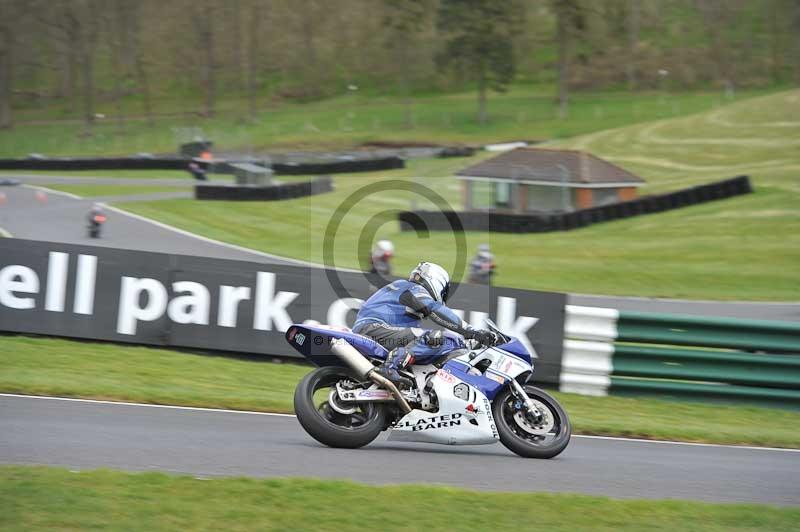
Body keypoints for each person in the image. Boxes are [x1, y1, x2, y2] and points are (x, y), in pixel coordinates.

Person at [352, 262, 498, 387]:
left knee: (426, 343)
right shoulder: (412, 288)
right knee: (437, 338)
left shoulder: (400, 289)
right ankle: (390, 367)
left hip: (374, 330)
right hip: (374, 329)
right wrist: (472, 332)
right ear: (436, 280)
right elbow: (436, 310)